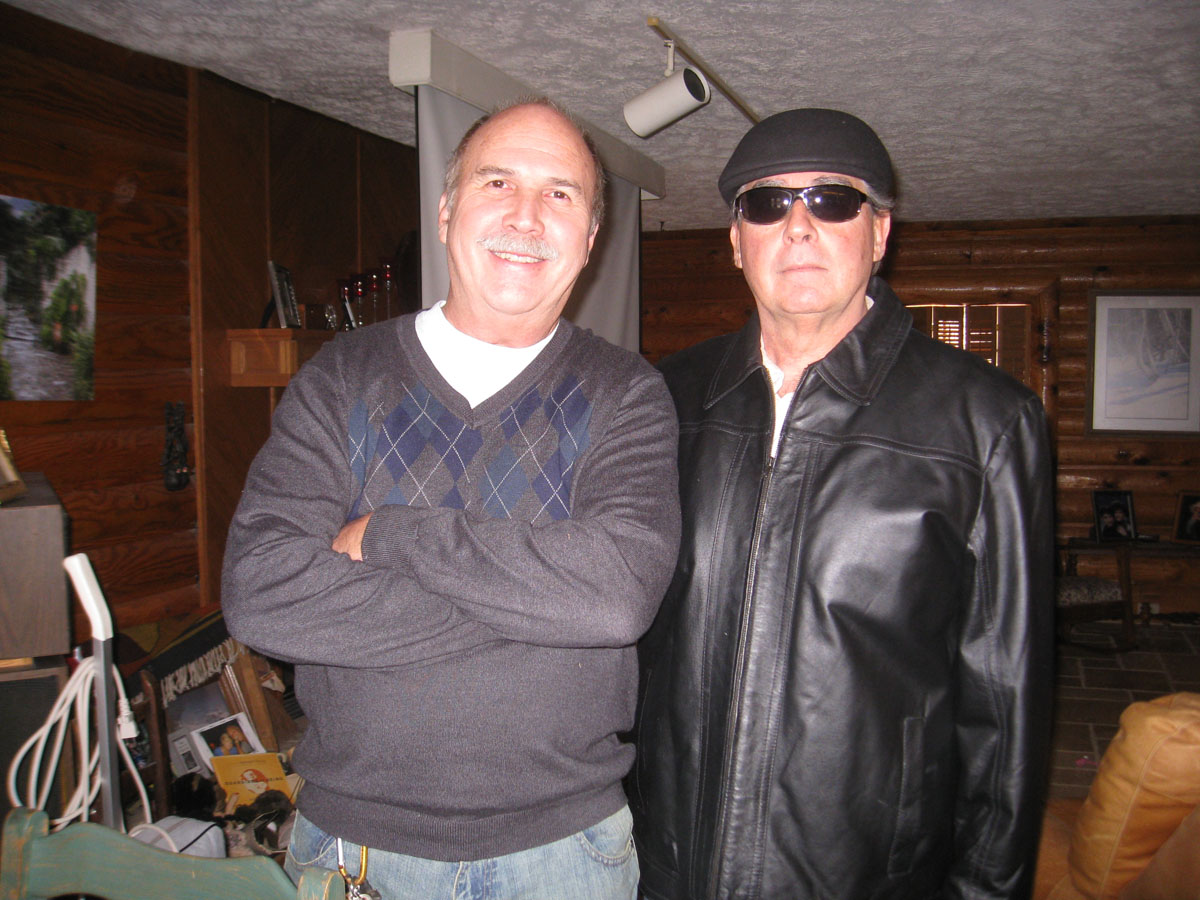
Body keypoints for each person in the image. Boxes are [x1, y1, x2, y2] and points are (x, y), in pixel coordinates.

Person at [222, 98, 680, 900]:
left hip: (566, 856)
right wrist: (540, 603)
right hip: (357, 852)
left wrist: (390, 535)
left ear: (590, 239)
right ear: (445, 212)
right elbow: (261, 593)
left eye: (560, 193)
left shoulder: (627, 394)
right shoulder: (341, 379)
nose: (526, 216)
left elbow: (612, 600)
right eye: (497, 182)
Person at [630, 108, 1055, 899]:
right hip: (664, 867)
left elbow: (1005, 712)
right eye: (767, 204)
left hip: (866, 877)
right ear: (736, 240)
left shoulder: (984, 423)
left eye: (833, 201)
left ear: (880, 232)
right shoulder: (665, 400)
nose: (798, 226)